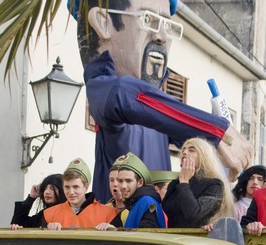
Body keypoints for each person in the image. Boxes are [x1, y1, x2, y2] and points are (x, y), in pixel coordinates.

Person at [73, 0, 252, 202]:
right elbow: (125, 94)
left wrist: (213, 150)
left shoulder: (158, 107)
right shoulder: (103, 88)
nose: (161, 36)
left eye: (166, 24)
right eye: (147, 18)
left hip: (159, 217)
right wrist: (216, 130)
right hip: (119, 219)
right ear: (103, 23)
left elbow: (169, 120)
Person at [162, 138, 234, 228]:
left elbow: (194, 213)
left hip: (196, 236)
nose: (185, 152)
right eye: (183, 149)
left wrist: (184, 182)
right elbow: (166, 208)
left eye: (191, 150)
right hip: (171, 235)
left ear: (204, 157)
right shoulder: (176, 183)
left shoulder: (214, 185)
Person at [40, 159, 120, 229]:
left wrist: (113, 230)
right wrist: (47, 231)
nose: (71, 192)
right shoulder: (49, 215)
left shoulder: (109, 214)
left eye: (76, 187)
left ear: (86, 187)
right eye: (67, 187)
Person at [95, 152, 165, 229]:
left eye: (128, 181)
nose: (123, 186)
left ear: (140, 183)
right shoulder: (135, 203)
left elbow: (146, 233)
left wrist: (116, 231)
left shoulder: (147, 203)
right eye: (120, 181)